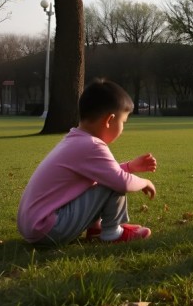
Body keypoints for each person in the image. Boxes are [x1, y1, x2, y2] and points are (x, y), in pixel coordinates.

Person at [17, 78, 156, 247]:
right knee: (112, 184)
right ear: (109, 120)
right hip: (49, 229)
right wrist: (145, 182)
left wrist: (130, 167)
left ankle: (96, 228)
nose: (122, 129)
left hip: (37, 227)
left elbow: (104, 174)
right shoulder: (91, 145)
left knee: (103, 181)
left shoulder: (75, 140)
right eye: (123, 122)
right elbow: (119, 181)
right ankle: (113, 233)